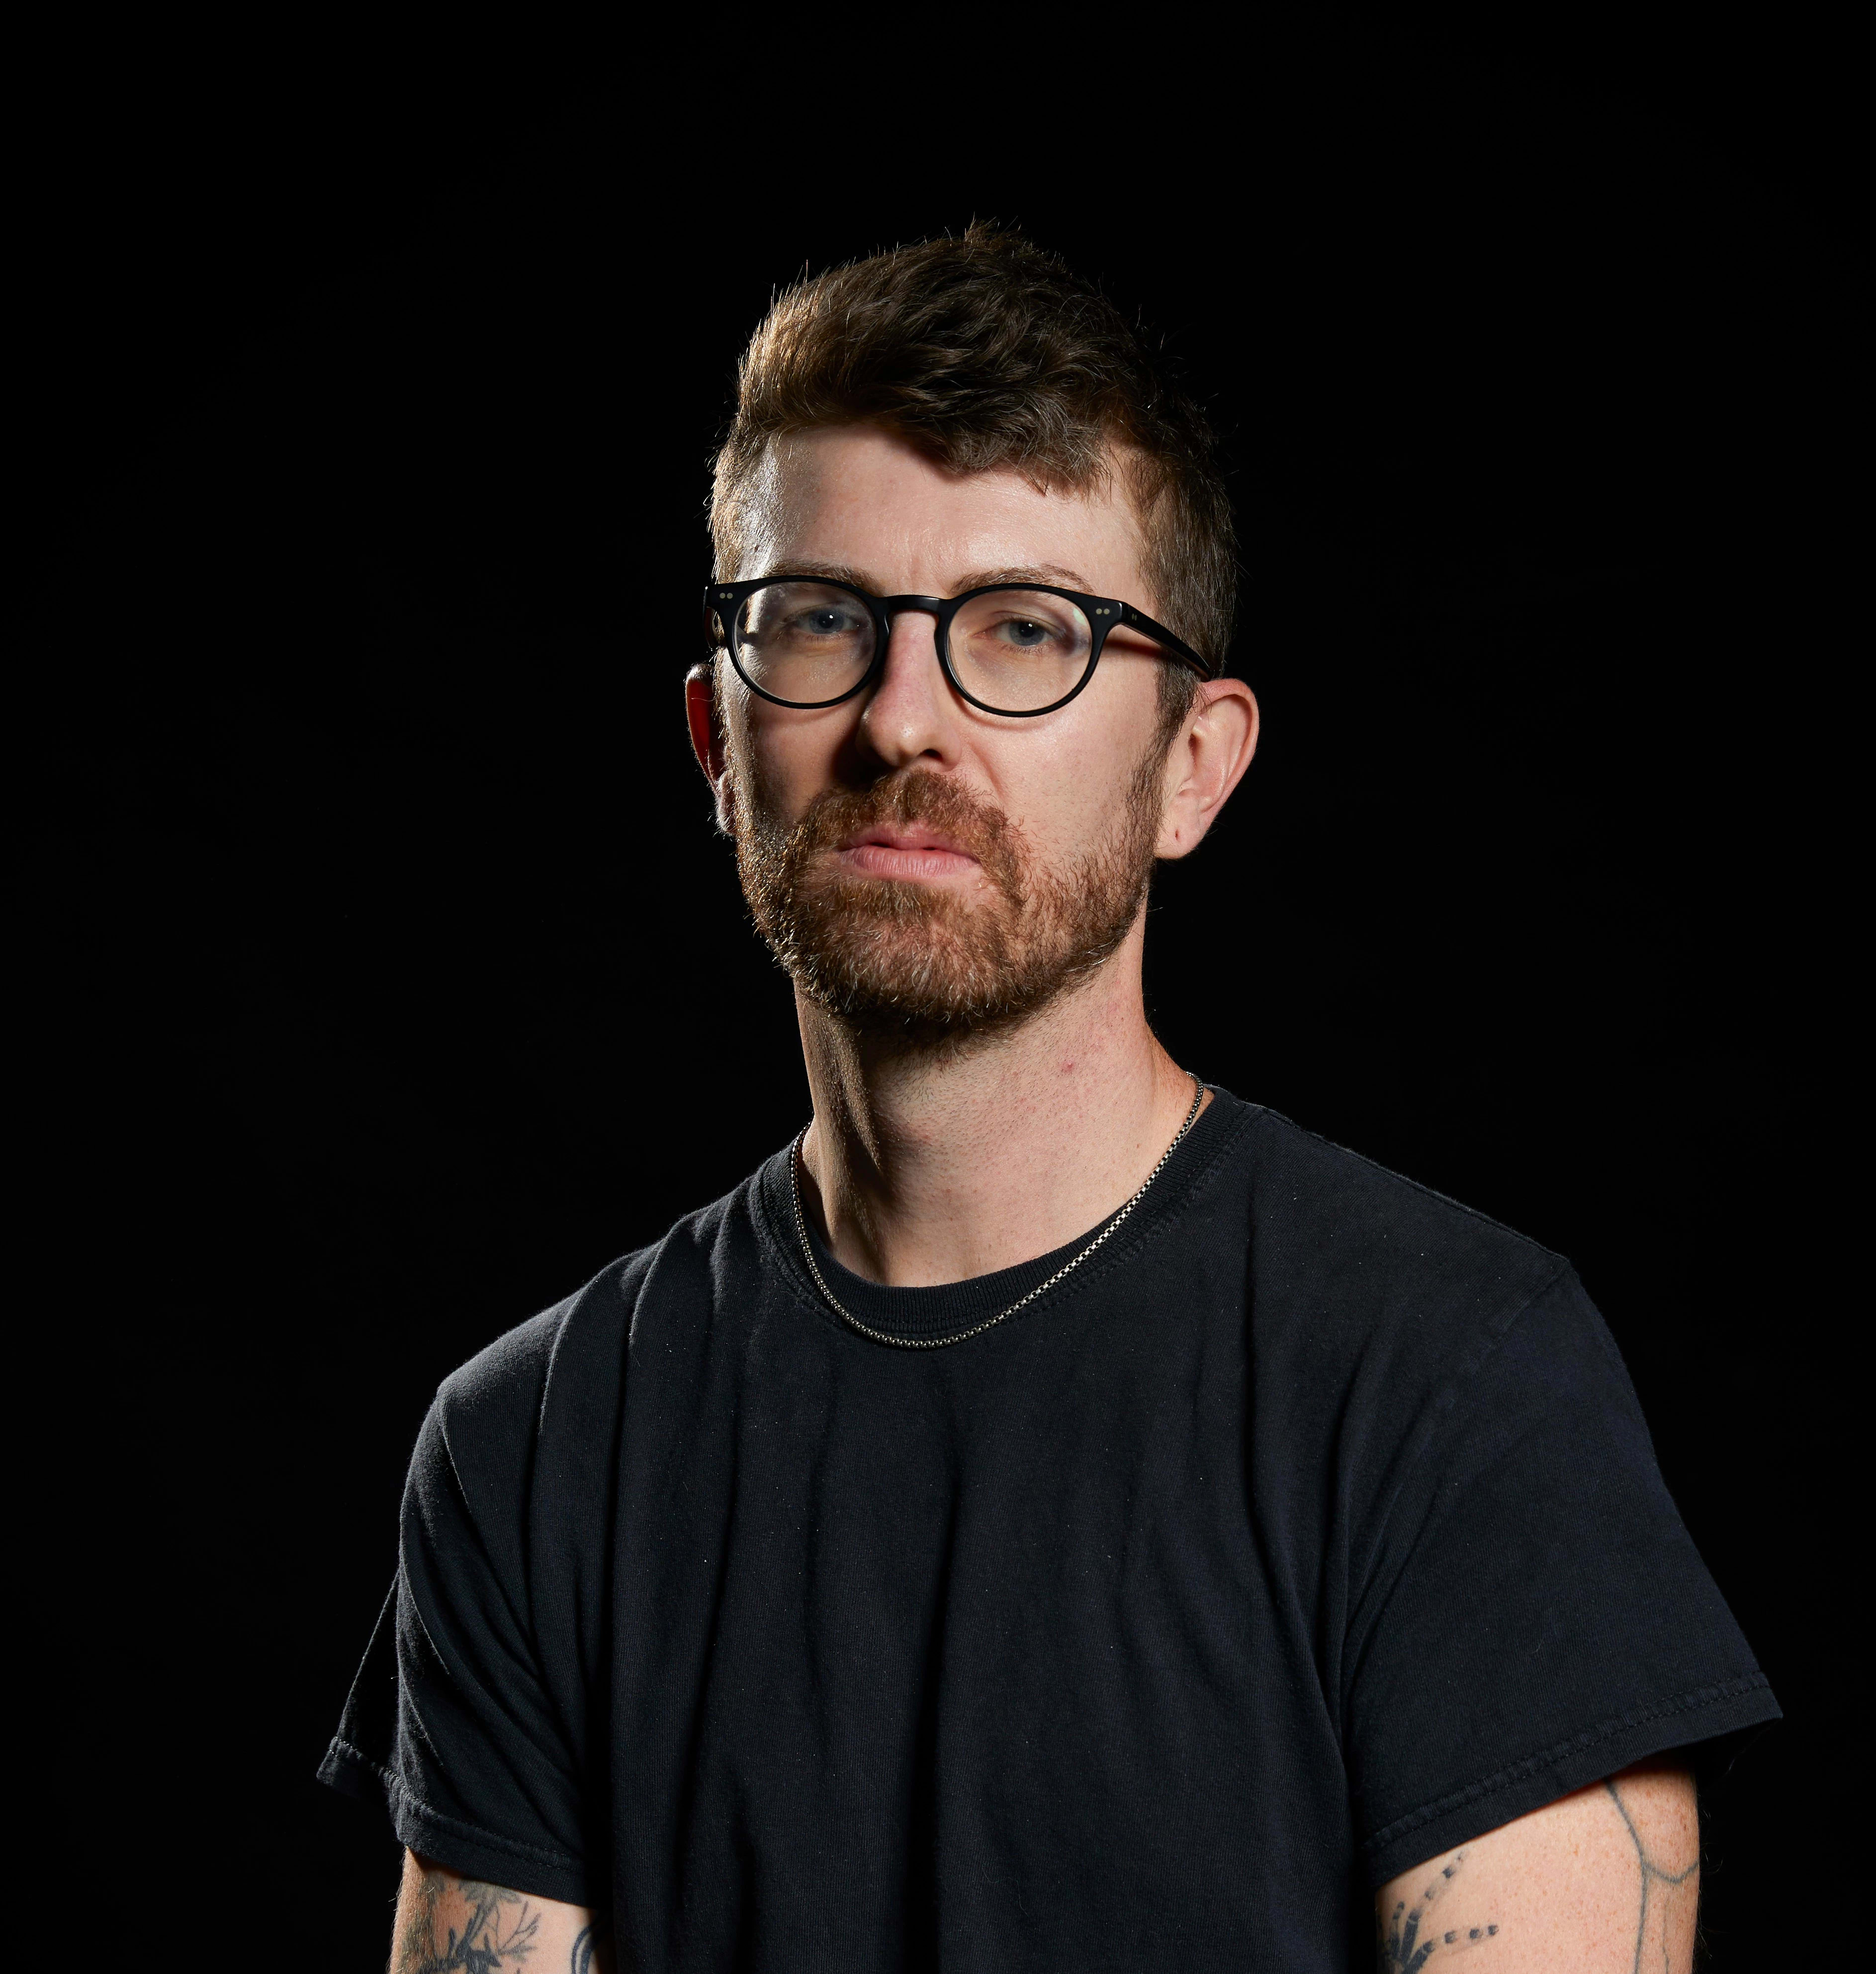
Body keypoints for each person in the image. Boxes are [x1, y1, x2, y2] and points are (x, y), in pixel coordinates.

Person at [322, 225, 1777, 1973]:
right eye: (822, 620)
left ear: (1193, 765)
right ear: (719, 740)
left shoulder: (1450, 1383)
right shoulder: (534, 1446)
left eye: (1025, 632)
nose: (904, 719)